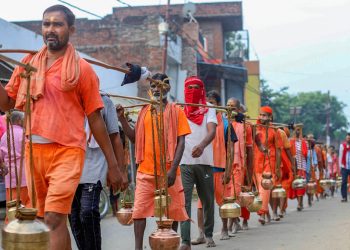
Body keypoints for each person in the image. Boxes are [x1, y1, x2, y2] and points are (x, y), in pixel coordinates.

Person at [0, 5, 125, 250]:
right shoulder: (27, 65)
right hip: (34, 151)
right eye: (46, 24)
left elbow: (96, 120)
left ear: (71, 29)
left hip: (67, 152)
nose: (50, 29)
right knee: (43, 220)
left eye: (57, 24)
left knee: (53, 217)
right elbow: (7, 103)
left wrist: (114, 166)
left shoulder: (82, 70)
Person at [117, 73, 191, 250]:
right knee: (139, 211)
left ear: (168, 88)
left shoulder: (176, 111)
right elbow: (135, 138)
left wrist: (173, 169)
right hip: (146, 171)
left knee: (172, 211)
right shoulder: (144, 111)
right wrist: (121, 119)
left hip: (170, 171)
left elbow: (181, 141)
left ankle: (170, 243)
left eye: (160, 86)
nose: (157, 90)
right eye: (153, 87)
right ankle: (138, 248)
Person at [69, 94, 126, 250]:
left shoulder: (104, 101)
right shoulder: (66, 97)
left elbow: (115, 137)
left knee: (87, 212)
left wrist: (121, 170)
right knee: (74, 217)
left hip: (96, 163)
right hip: (70, 162)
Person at [191, 91, 236, 244]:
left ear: (218, 105)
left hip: (220, 169)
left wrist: (228, 170)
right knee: (200, 204)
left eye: (212, 103)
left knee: (222, 202)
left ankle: (224, 229)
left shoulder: (225, 123)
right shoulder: (200, 121)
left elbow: (230, 149)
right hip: (204, 168)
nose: (209, 105)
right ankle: (201, 234)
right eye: (207, 102)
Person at [179, 76, 217, 249]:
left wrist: (202, 146)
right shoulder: (179, 109)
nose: (193, 90)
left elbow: (211, 131)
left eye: (197, 87)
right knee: (184, 202)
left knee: (208, 200)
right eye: (190, 87)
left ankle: (208, 234)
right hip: (184, 162)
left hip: (204, 162)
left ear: (202, 90)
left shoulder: (208, 108)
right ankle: (185, 240)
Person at [227, 98, 253, 232]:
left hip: (239, 165)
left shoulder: (245, 126)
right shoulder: (222, 123)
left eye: (232, 106)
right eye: (228, 106)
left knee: (236, 194)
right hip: (224, 165)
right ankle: (235, 220)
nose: (230, 108)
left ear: (238, 109)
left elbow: (250, 149)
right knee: (228, 196)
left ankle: (232, 224)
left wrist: (249, 170)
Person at [254, 106, 282, 225]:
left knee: (265, 187)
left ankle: (262, 212)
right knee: (261, 190)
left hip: (270, 163)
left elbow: (279, 150)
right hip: (257, 162)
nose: (262, 117)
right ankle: (267, 213)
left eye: (265, 115)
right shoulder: (255, 128)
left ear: (270, 117)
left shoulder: (275, 131)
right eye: (260, 115)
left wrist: (277, 167)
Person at [0, 111, 30, 208]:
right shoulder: (24, 134)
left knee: (12, 207)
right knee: (26, 206)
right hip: (24, 175)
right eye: (23, 120)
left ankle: (11, 222)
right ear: (18, 120)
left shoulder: (5, 135)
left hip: (9, 176)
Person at [289, 125, 308, 211]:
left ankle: (300, 203)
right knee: (295, 185)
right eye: (296, 130)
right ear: (294, 131)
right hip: (294, 166)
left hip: (301, 166)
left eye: (299, 130)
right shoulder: (291, 141)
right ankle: (299, 202)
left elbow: (305, 154)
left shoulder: (303, 142)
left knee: (301, 184)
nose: (297, 132)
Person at [279, 127, 294, 217]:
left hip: (286, 169)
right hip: (274, 166)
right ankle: (275, 210)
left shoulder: (288, 144)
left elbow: (292, 155)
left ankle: (281, 209)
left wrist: (293, 166)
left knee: (284, 189)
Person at [338, 133, 350, 202]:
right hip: (344, 167)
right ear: (346, 139)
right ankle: (344, 197)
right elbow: (340, 156)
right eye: (347, 138)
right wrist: (340, 167)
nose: (348, 139)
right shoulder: (342, 145)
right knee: (343, 182)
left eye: (349, 138)